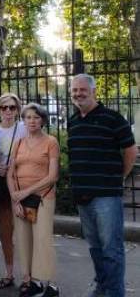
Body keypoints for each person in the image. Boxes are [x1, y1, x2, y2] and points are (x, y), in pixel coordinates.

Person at [68, 74, 136, 297]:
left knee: (111, 249)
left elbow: (130, 151)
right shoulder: (73, 120)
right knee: (95, 248)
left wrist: (120, 177)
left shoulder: (113, 118)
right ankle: (102, 287)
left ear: (94, 91)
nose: (78, 94)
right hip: (82, 195)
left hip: (106, 195)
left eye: (82, 89)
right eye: (74, 90)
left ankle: (114, 293)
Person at [7, 103, 60, 297]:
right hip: (20, 200)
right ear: (23, 120)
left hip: (43, 197)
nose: (32, 121)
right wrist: (15, 199)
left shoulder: (51, 142)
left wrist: (26, 192)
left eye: (36, 117)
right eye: (28, 117)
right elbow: (10, 174)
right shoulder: (18, 143)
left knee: (42, 239)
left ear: (43, 120)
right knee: (23, 240)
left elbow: (53, 176)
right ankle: (33, 282)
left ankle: (52, 285)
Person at [0, 93, 26, 289]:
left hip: (23, 183)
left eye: (12, 107)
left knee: (25, 231)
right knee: (6, 231)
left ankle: (29, 277)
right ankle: (9, 273)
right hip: (2, 184)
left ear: (17, 110)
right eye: (4, 107)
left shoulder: (24, 128)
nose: (8, 111)